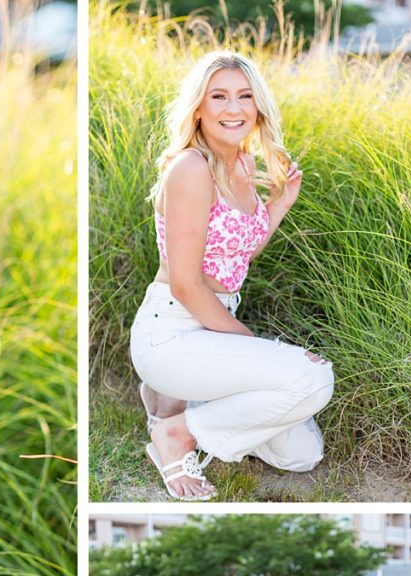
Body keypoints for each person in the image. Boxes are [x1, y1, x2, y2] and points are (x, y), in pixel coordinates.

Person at [130, 51, 334, 501]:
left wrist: (278, 204)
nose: (234, 108)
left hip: (214, 326)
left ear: (258, 106)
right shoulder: (190, 168)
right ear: (198, 108)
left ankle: (176, 401)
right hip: (174, 330)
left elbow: (235, 256)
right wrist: (255, 344)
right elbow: (186, 285)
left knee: (302, 454)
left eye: (244, 96)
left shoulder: (242, 165)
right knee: (313, 381)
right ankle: (176, 433)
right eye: (218, 96)